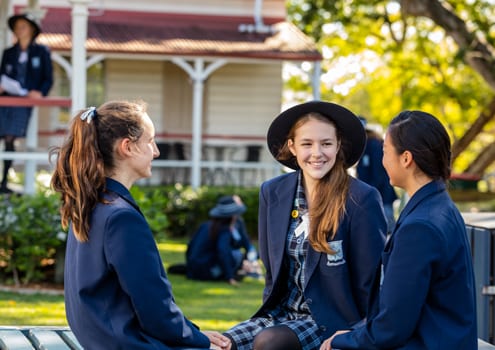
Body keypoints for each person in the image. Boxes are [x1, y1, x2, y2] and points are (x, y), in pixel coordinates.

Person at [50, 100, 230, 350]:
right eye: (150, 141)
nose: (155, 151)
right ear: (128, 147)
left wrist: (192, 332)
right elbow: (154, 308)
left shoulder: (91, 204)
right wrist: (199, 340)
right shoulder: (120, 217)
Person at [223, 100, 387, 350]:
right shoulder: (272, 192)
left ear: (338, 145)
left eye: (326, 143)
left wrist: (357, 332)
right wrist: (265, 319)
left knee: (269, 343)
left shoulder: (361, 198)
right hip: (279, 315)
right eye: (307, 144)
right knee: (220, 344)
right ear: (292, 147)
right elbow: (272, 271)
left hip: (331, 322)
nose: (317, 153)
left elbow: (370, 282)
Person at [320, 110, 477, 350]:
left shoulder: (420, 227)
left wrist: (341, 339)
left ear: (406, 158)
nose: (382, 159)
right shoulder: (440, 205)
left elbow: (391, 328)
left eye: (385, 150)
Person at [0, 13, 53, 194]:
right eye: (16, 27)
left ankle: (4, 180)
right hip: (6, 99)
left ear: (31, 29)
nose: (19, 30)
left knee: (9, 137)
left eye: (23, 26)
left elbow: (48, 79)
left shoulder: (42, 52)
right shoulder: (9, 53)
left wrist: (40, 92)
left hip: (24, 102)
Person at [186, 195, 259, 285]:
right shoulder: (224, 230)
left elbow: (190, 246)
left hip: (192, 271)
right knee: (236, 254)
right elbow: (223, 252)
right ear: (233, 216)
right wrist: (230, 277)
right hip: (208, 272)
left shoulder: (206, 225)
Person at [356, 117, 398, 233]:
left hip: (381, 195)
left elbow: (379, 173)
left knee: (388, 228)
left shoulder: (374, 144)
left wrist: (370, 192)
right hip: (370, 195)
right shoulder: (361, 147)